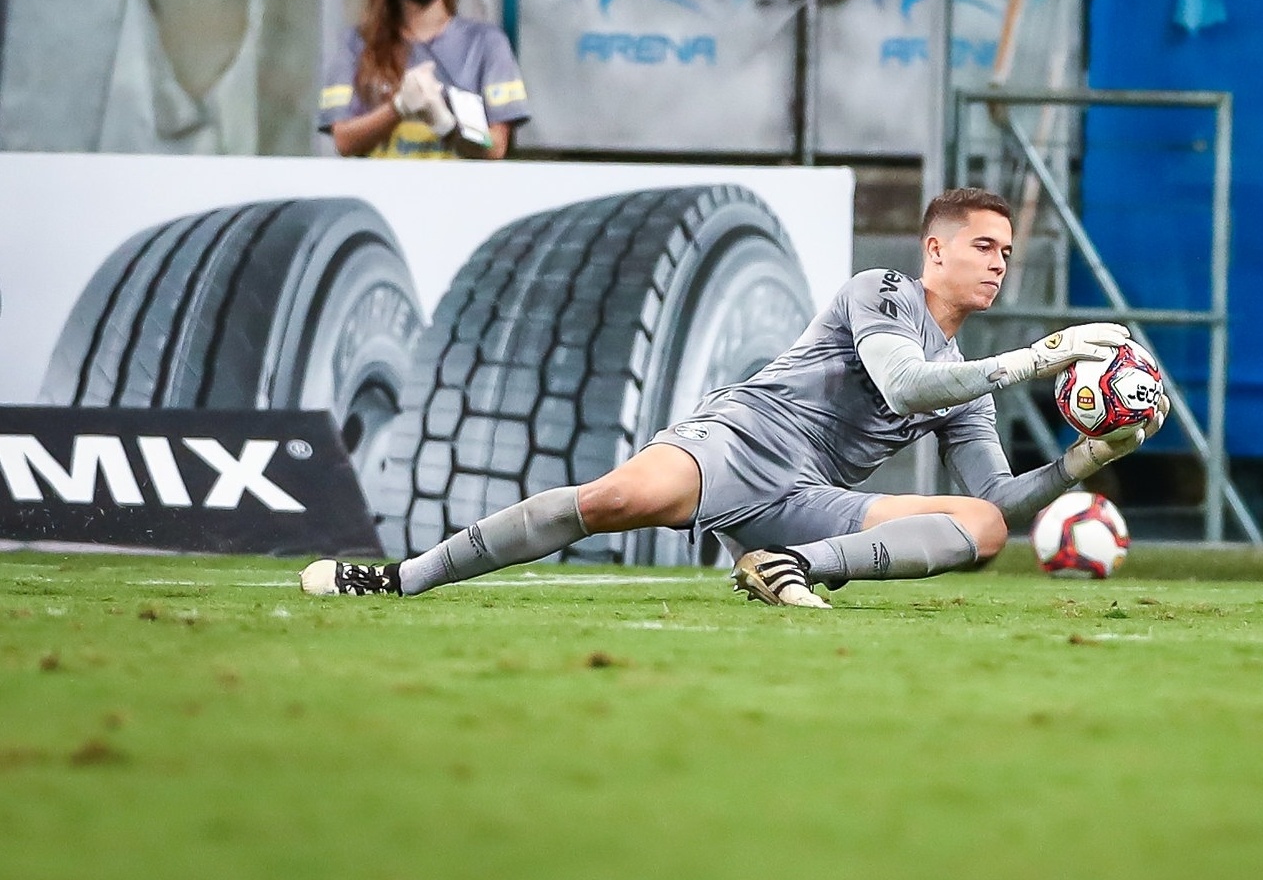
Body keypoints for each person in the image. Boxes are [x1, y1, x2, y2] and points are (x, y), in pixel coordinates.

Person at [301, 187, 1168, 607]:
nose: (996, 262)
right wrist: (1043, 354)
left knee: (979, 531)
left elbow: (994, 501)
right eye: (982, 245)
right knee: (614, 498)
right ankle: (398, 578)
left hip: (807, 502)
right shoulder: (883, 290)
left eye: (1006, 253)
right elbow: (905, 379)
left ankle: (785, 569)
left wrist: (1084, 459)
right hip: (742, 438)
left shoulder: (968, 385)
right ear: (933, 250)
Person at [319, 0, 529, 159]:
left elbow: (495, 146)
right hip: (381, 193)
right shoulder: (357, 44)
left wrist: (449, 125)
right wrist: (398, 108)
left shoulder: (485, 43)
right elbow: (343, 140)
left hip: (456, 194)